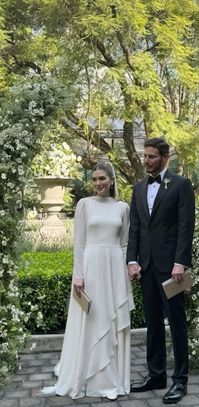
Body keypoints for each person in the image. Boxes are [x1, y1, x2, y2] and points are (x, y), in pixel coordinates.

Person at [42, 162, 134, 400]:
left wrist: (125, 274)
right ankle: (86, 373)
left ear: (112, 180)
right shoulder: (84, 205)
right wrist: (79, 275)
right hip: (91, 269)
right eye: (94, 179)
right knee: (92, 318)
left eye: (102, 179)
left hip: (114, 268)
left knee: (110, 319)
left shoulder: (123, 208)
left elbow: (124, 244)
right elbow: (79, 243)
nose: (97, 184)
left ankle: (111, 376)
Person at [127, 138, 195, 404]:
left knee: (177, 324)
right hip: (146, 266)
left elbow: (185, 226)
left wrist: (181, 262)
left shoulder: (180, 185)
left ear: (165, 158)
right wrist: (132, 260)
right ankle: (156, 375)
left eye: (152, 157)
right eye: (145, 156)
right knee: (153, 324)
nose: (147, 161)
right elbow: (135, 227)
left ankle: (180, 381)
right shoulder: (138, 187)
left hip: (172, 268)